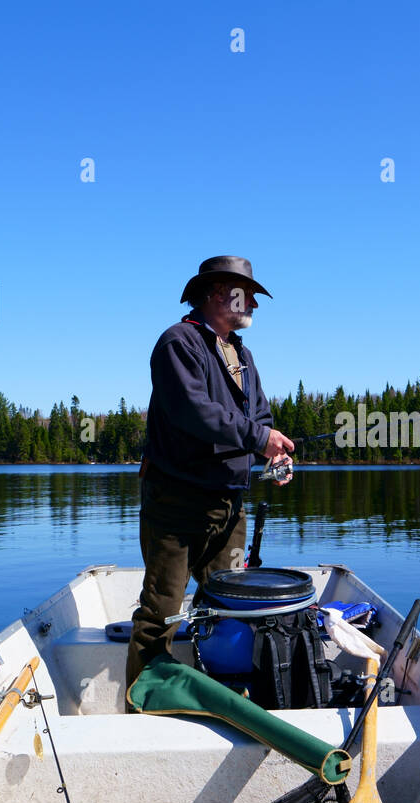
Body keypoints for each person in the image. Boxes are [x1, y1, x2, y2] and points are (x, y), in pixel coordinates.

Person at [126, 256, 294, 709]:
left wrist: (273, 452)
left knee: (230, 604)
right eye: (248, 293)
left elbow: (259, 416)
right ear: (219, 292)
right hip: (176, 504)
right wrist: (260, 438)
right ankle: (140, 708)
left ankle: (224, 698)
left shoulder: (242, 354)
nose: (255, 302)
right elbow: (194, 412)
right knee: (162, 610)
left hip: (229, 507)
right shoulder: (178, 343)